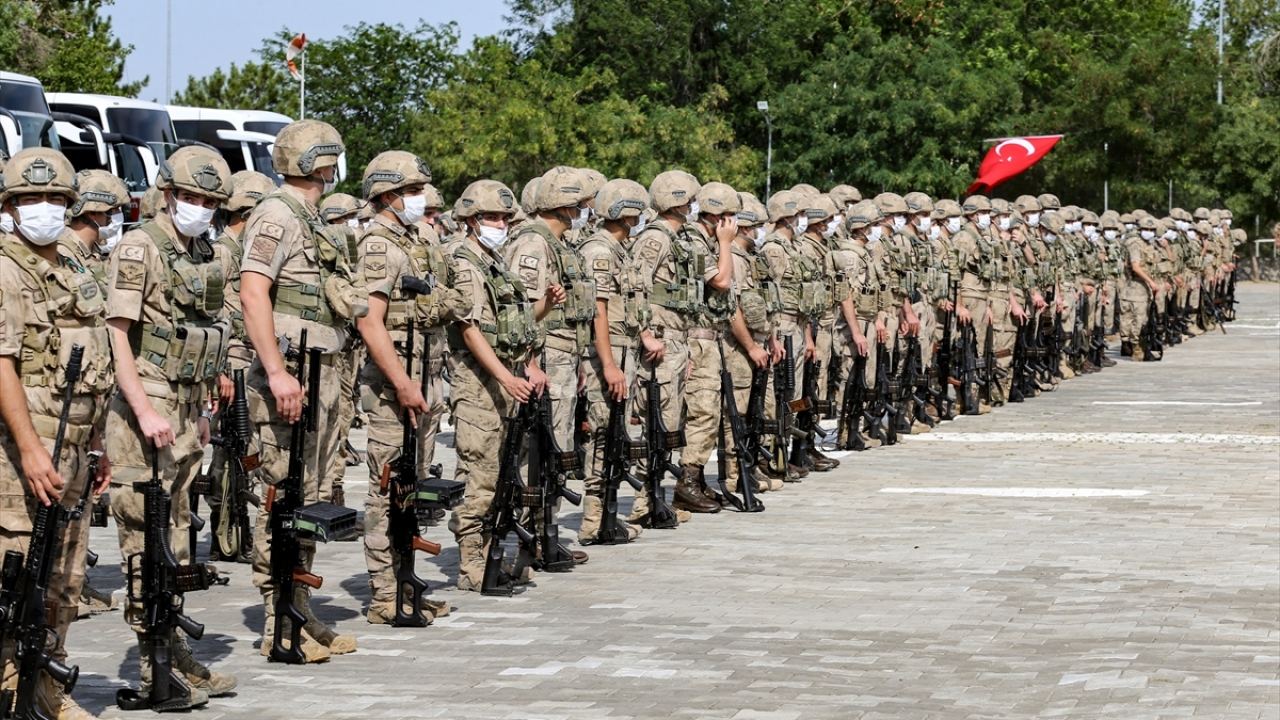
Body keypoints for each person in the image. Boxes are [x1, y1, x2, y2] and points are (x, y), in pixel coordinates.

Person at [103, 145, 238, 706]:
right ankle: (150, 666)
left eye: (210, 200)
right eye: (191, 196)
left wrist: (202, 410)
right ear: (168, 193)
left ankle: (174, 652)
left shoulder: (201, 250)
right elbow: (117, 332)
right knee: (146, 538)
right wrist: (142, 409)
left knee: (179, 535)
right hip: (148, 409)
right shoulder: (139, 247)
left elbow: (201, 331)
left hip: (184, 408)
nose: (201, 207)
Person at [239, 119, 367, 662]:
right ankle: (277, 622)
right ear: (319, 162)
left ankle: (299, 608)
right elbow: (253, 293)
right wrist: (275, 372)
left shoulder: (311, 217)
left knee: (309, 498)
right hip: (291, 375)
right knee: (282, 495)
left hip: (323, 372)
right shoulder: (276, 214)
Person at [0, 148, 117, 720]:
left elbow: (94, 359)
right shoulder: (5, 270)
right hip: (21, 455)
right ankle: (10, 688)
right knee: (16, 574)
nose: (42, 207)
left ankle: (48, 681)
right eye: (29, 198)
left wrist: (98, 443)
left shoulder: (74, 269)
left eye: (53, 197)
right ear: (9, 206)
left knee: (65, 576)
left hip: (74, 449)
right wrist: (27, 449)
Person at [351, 150, 455, 622]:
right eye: (412, 191)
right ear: (387, 195)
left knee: (411, 489)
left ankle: (406, 582)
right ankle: (384, 594)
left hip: (424, 381)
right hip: (396, 389)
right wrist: (403, 382)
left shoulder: (414, 240)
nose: (420, 198)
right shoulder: (379, 245)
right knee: (387, 489)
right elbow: (370, 321)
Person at [443, 179, 560, 591]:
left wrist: (546, 304)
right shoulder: (464, 262)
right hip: (479, 382)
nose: (500, 224)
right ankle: (472, 562)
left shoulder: (493, 262)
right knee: (480, 473)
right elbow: (470, 329)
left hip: (503, 379)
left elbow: (516, 324)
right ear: (471, 220)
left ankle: (492, 551)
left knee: (501, 474)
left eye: (504, 218)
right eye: (491, 217)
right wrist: (506, 377)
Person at [503, 166, 597, 560]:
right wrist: (530, 361)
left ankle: (545, 532)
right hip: (544, 358)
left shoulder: (557, 243)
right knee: (539, 451)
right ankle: (535, 537)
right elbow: (520, 311)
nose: (585, 210)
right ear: (566, 205)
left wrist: (577, 359)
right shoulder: (533, 243)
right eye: (581, 203)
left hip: (562, 355)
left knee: (555, 449)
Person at [627, 171, 717, 521]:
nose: (694, 206)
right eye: (691, 200)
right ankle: (644, 505)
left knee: (669, 425)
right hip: (660, 344)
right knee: (658, 424)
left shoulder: (675, 238)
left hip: (676, 341)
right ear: (677, 202)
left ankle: (655, 500)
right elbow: (636, 287)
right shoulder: (656, 238)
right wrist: (645, 334)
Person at [60, 168, 129, 616]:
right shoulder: (66, 255)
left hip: (91, 398)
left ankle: (75, 584)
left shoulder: (86, 255)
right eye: (113, 211)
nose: (115, 219)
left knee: (79, 500)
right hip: (67, 399)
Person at [577, 178, 651, 543]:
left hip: (625, 349)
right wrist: (608, 365)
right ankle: (594, 520)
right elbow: (598, 311)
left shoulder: (619, 250)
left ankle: (605, 515)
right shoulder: (600, 251)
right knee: (604, 433)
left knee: (616, 435)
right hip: (608, 353)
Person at [676, 181, 743, 506]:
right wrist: (726, 243)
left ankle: (697, 478)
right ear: (717, 217)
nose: (734, 224)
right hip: (696, 339)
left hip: (710, 338)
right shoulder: (693, 241)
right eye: (729, 217)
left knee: (711, 411)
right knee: (702, 412)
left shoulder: (705, 241)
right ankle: (687, 481)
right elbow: (721, 281)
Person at [720, 192, 784, 494]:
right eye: (757, 226)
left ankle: (752, 463)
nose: (760, 231)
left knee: (759, 409)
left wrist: (771, 340)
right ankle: (736, 473)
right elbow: (732, 308)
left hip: (759, 343)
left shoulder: (752, 258)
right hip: (739, 346)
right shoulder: (732, 257)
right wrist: (751, 347)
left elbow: (764, 304)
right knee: (739, 411)